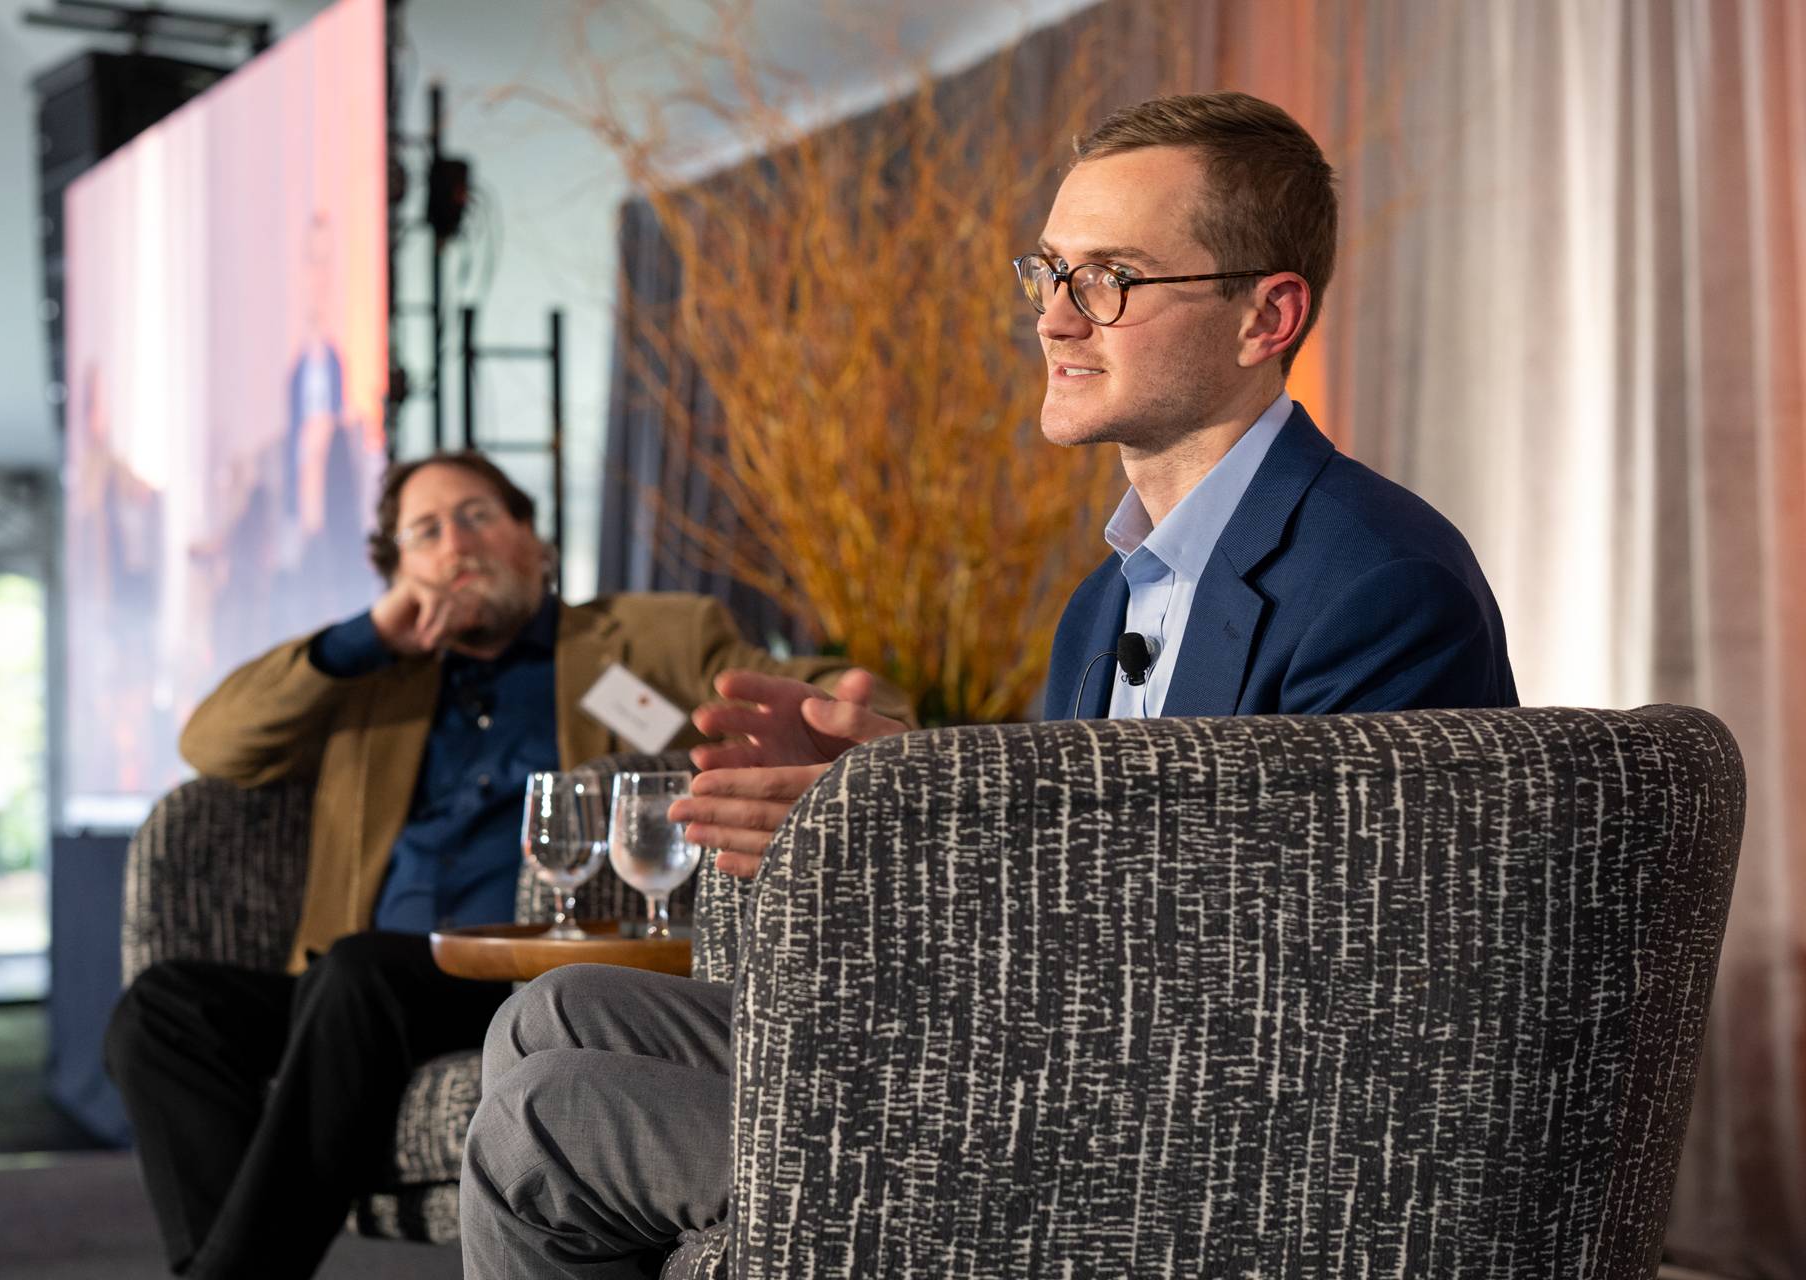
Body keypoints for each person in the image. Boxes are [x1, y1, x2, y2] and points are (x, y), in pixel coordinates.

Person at [458, 92, 1519, 1278]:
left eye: (1112, 276)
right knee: (559, 1013)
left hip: (1196, 1146)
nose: (1057, 318)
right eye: (1050, 272)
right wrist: (902, 792)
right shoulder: (1105, 602)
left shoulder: (1378, 584)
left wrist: (924, 840)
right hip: (1069, 1069)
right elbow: (1088, 867)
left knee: (545, 1118)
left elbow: (1296, 981)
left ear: (1266, 315)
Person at [103, 449, 900, 1280]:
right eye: (427, 531)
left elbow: (842, 707)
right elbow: (210, 743)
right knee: (161, 1009)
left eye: (479, 517)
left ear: (534, 541)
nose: (458, 545)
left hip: (533, 971)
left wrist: (847, 720)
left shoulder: (650, 640)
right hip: (366, 992)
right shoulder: (374, 676)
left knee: (358, 971)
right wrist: (365, 638)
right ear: (400, 568)